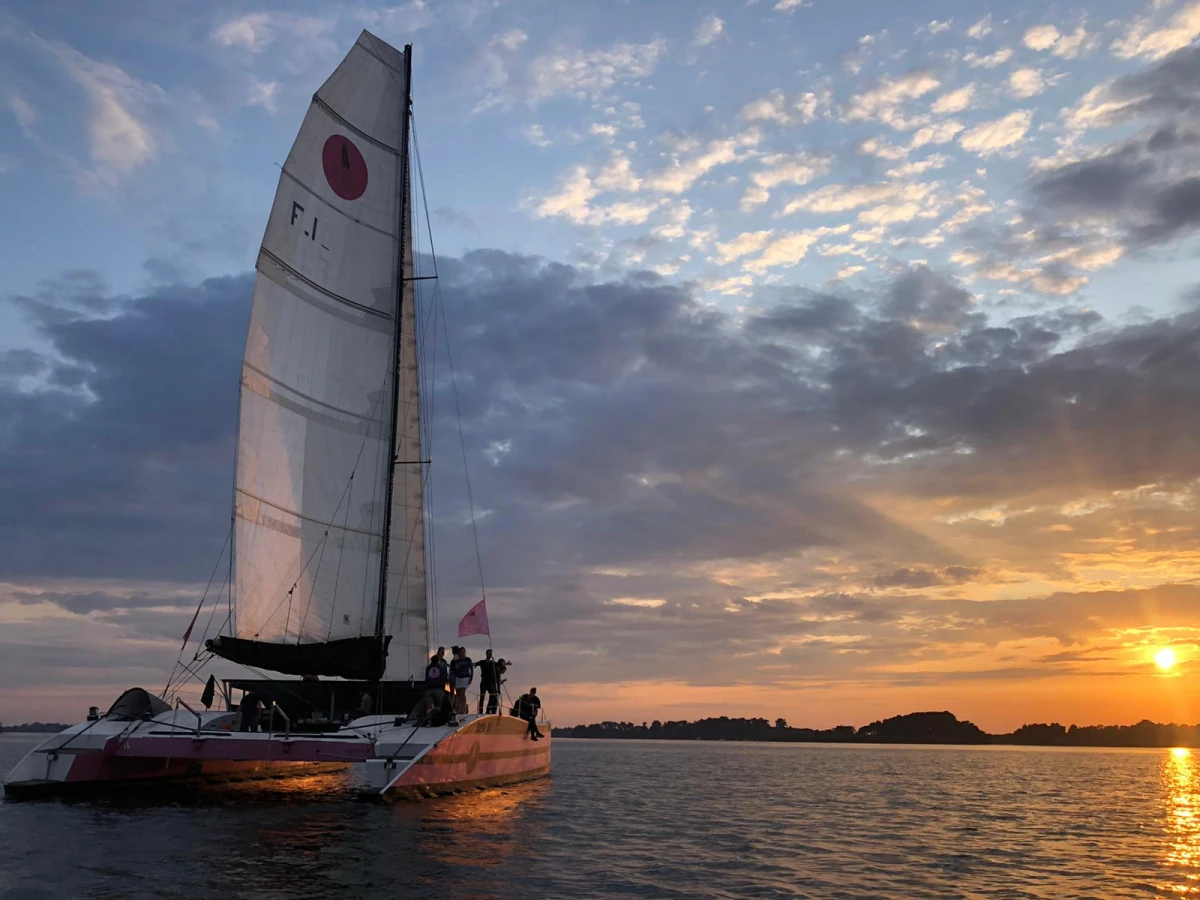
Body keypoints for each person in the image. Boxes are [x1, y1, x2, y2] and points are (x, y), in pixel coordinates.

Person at [475, 649, 502, 715]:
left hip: (490, 682)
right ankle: (480, 711)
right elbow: (476, 663)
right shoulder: (482, 662)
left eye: (491, 653)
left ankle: (488, 709)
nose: (490, 654)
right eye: (489, 653)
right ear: (486, 654)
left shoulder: (493, 663)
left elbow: (499, 664)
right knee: (482, 696)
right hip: (484, 681)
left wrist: (505, 663)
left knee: (493, 695)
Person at [451, 647, 474, 716]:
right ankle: (459, 707)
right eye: (460, 651)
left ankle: (462, 709)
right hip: (458, 678)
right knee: (458, 694)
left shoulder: (468, 659)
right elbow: (453, 669)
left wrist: (471, 678)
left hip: (465, 677)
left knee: (462, 692)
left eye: (463, 651)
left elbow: (471, 669)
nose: (462, 653)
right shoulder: (457, 661)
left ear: (465, 652)